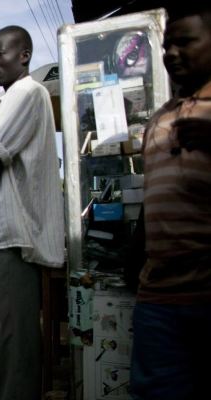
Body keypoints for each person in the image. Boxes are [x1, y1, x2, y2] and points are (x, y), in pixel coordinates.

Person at [0, 26, 64, 399]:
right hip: (3, 236)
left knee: (14, 343)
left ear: (24, 55)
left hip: (9, 236)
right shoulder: (11, 101)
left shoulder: (26, 93)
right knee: (12, 340)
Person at [130, 4, 211, 399]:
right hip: (158, 300)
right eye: (166, 46)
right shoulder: (159, 119)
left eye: (186, 42)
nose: (172, 53)